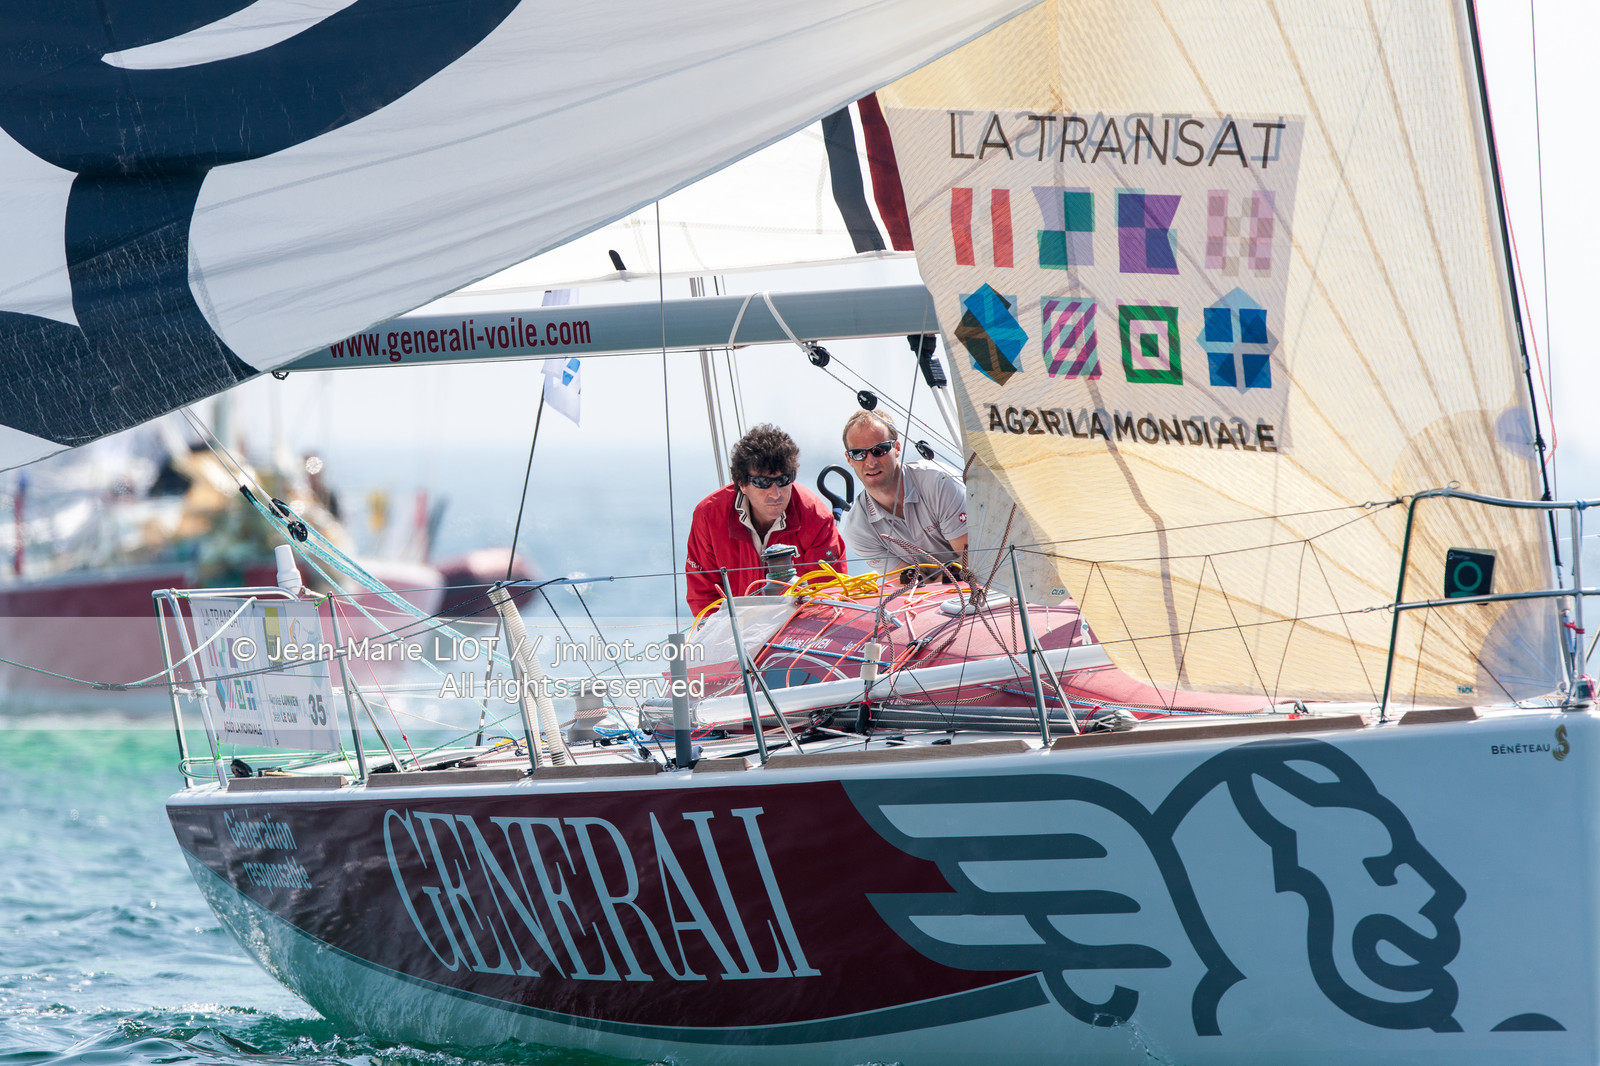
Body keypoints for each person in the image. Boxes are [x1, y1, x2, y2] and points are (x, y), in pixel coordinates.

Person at [684, 424, 847, 615]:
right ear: (741, 483)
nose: (776, 493)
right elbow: (704, 596)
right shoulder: (709, 516)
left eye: (784, 480)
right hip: (734, 633)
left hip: (799, 631)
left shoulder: (815, 516)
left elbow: (829, 593)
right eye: (763, 483)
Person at [838, 410, 968, 575]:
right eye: (859, 454)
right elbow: (910, 583)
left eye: (879, 450)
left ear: (897, 448)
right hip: (935, 596)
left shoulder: (938, 482)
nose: (870, 462)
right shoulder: (858, 530)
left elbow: (975, 563)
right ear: (849, 459)